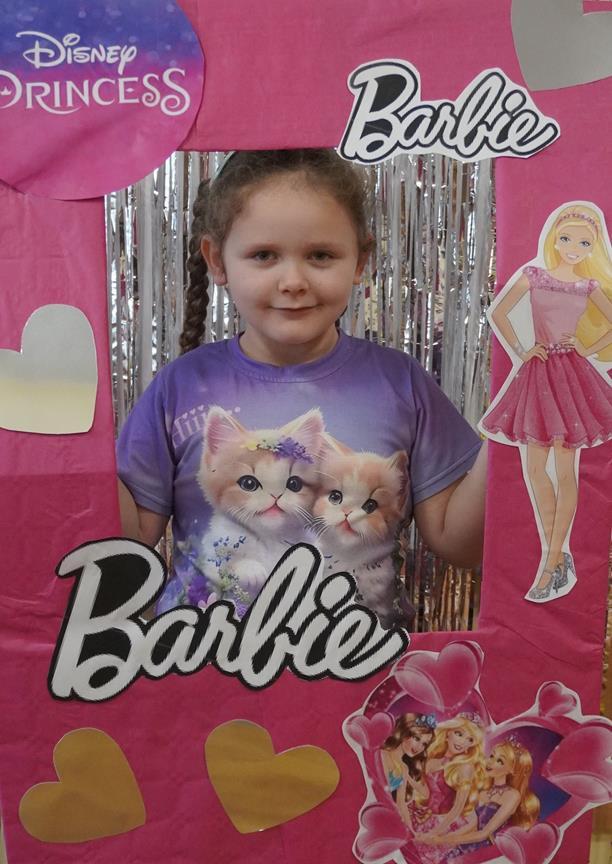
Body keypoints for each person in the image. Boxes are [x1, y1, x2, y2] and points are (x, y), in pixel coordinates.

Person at [117, 149, 486, 628]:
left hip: (357, 663)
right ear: (217, 260)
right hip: (203, 662)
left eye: (320, 256)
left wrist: (515, 430)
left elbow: (462, 544)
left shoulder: (400, 382)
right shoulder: (180, 384)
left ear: (360, 260)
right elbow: (128, 543)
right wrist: (70, 432)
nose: (293, 281)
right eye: (264, 255)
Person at [480, 203, 612, 602]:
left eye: (583, 243)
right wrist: (523, 349)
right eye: (567, 238)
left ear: (593, 248)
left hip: (572, 375)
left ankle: (552, 562)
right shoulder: (533, 275)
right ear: (554, 238)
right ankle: (557, 558)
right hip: (538, 371)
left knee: (566, 469)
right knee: (536, 469)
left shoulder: (588, 286)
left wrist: (589, 347)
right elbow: (500, 313)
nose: (573, 248)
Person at [423, 738, 540, 858]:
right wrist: (442, 837)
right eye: (492, 756)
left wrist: (443, 840)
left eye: (500, 761)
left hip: (481, 851)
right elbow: (470, 825)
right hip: (461, 845)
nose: (490, 762)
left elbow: (484, 833)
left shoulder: (512, 795)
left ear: (511, 769)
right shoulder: (482, 790)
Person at [403, 715, 486, 863]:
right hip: (424, 815)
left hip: (446, 822)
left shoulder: (465, 768)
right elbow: (425, 792)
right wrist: (407, 779)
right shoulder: (432, 760)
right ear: (448, 733)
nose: (462, 742)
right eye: (459, 734)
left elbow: (458, 807)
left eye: (470, 739)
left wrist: (435, 833)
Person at [380, 713, 436, 820]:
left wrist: (409, 828)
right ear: (405, 734)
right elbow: (381, 793)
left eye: (424, 744)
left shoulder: (404, 768)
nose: (419, 747)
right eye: (417, 738)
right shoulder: (383, 755)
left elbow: (401, 804)